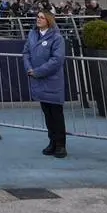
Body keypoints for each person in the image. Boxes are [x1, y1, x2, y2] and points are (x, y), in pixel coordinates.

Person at [23, 9, 67, 158]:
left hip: (52, 81)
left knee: (56, 114)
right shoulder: (32, 34)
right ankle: (52, 142)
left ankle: (61, 144)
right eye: (38, 17)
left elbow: (57, 59)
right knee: (47, 113)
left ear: (49, 20)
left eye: (42, 17)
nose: (38, 19)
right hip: (38, 80)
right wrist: (29, 68)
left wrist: (38, 71)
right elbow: (26, 53)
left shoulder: (57, 37)